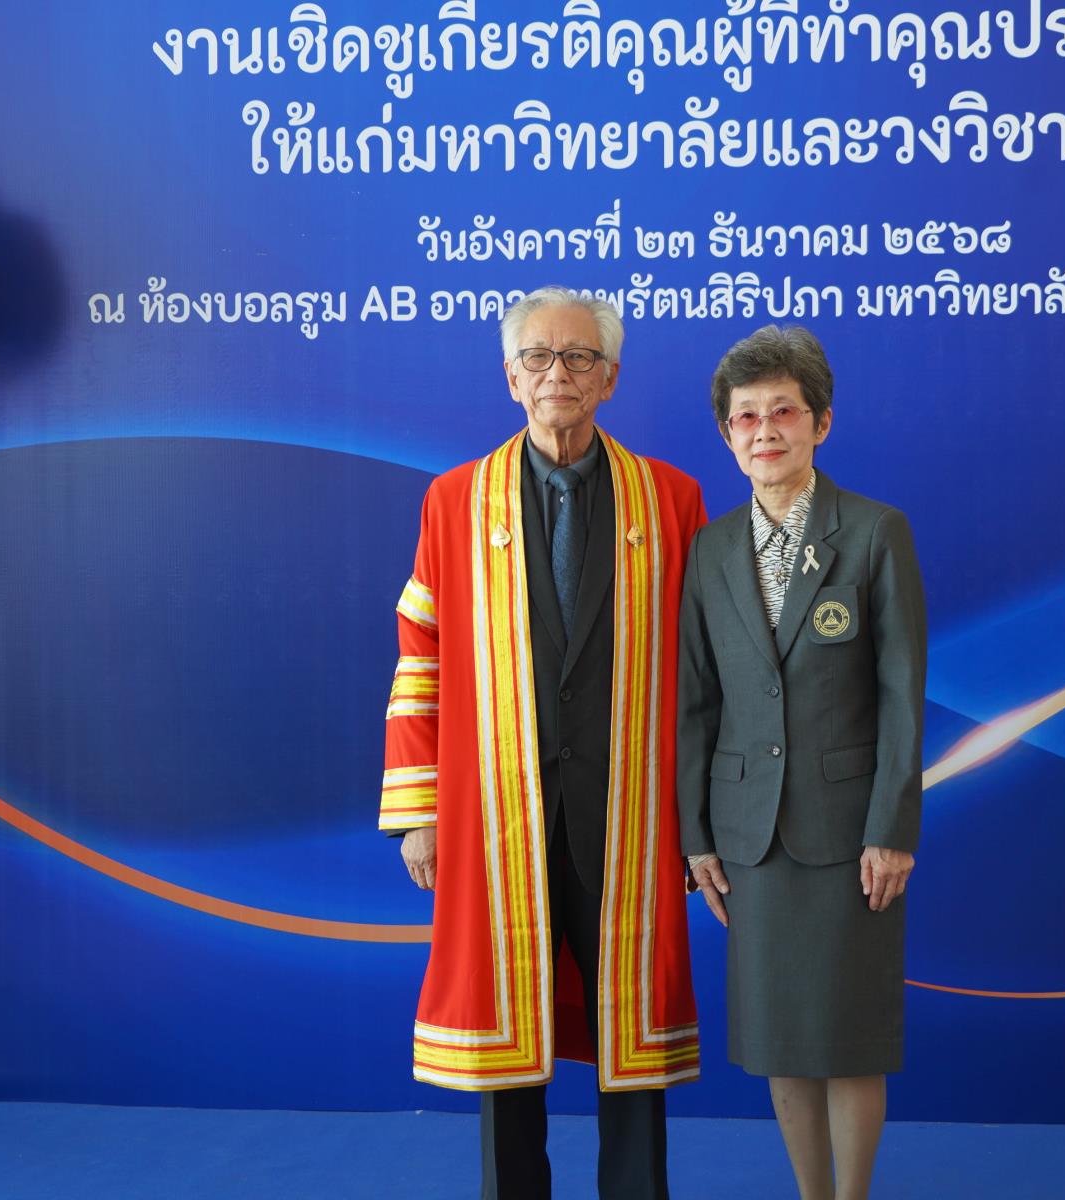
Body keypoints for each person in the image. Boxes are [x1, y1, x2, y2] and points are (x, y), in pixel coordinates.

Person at [381, 286, 705, 1200]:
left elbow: (705, 672)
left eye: (578, 357)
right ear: (510, 376)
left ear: (610, 378)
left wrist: (701, 820)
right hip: (497, 811)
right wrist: (419, 814)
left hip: (631, 810)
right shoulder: (455, 500)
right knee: (506, 1034)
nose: (557, 373)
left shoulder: (671, 498)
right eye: (538, 357)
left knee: (629, 1032)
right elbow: (420, 657)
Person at [676, 325, 926, 1200]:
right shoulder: (709, 550)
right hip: (751, 838)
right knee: (781, 1043)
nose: (765, 431)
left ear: (820, 422)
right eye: (746, 417)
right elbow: (696, 703)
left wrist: (892, 828)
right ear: (727, 435)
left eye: (783, 411)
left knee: (847, 1040)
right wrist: (696, 838)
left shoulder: (873, 533)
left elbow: (901, 694)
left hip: (850, 836)